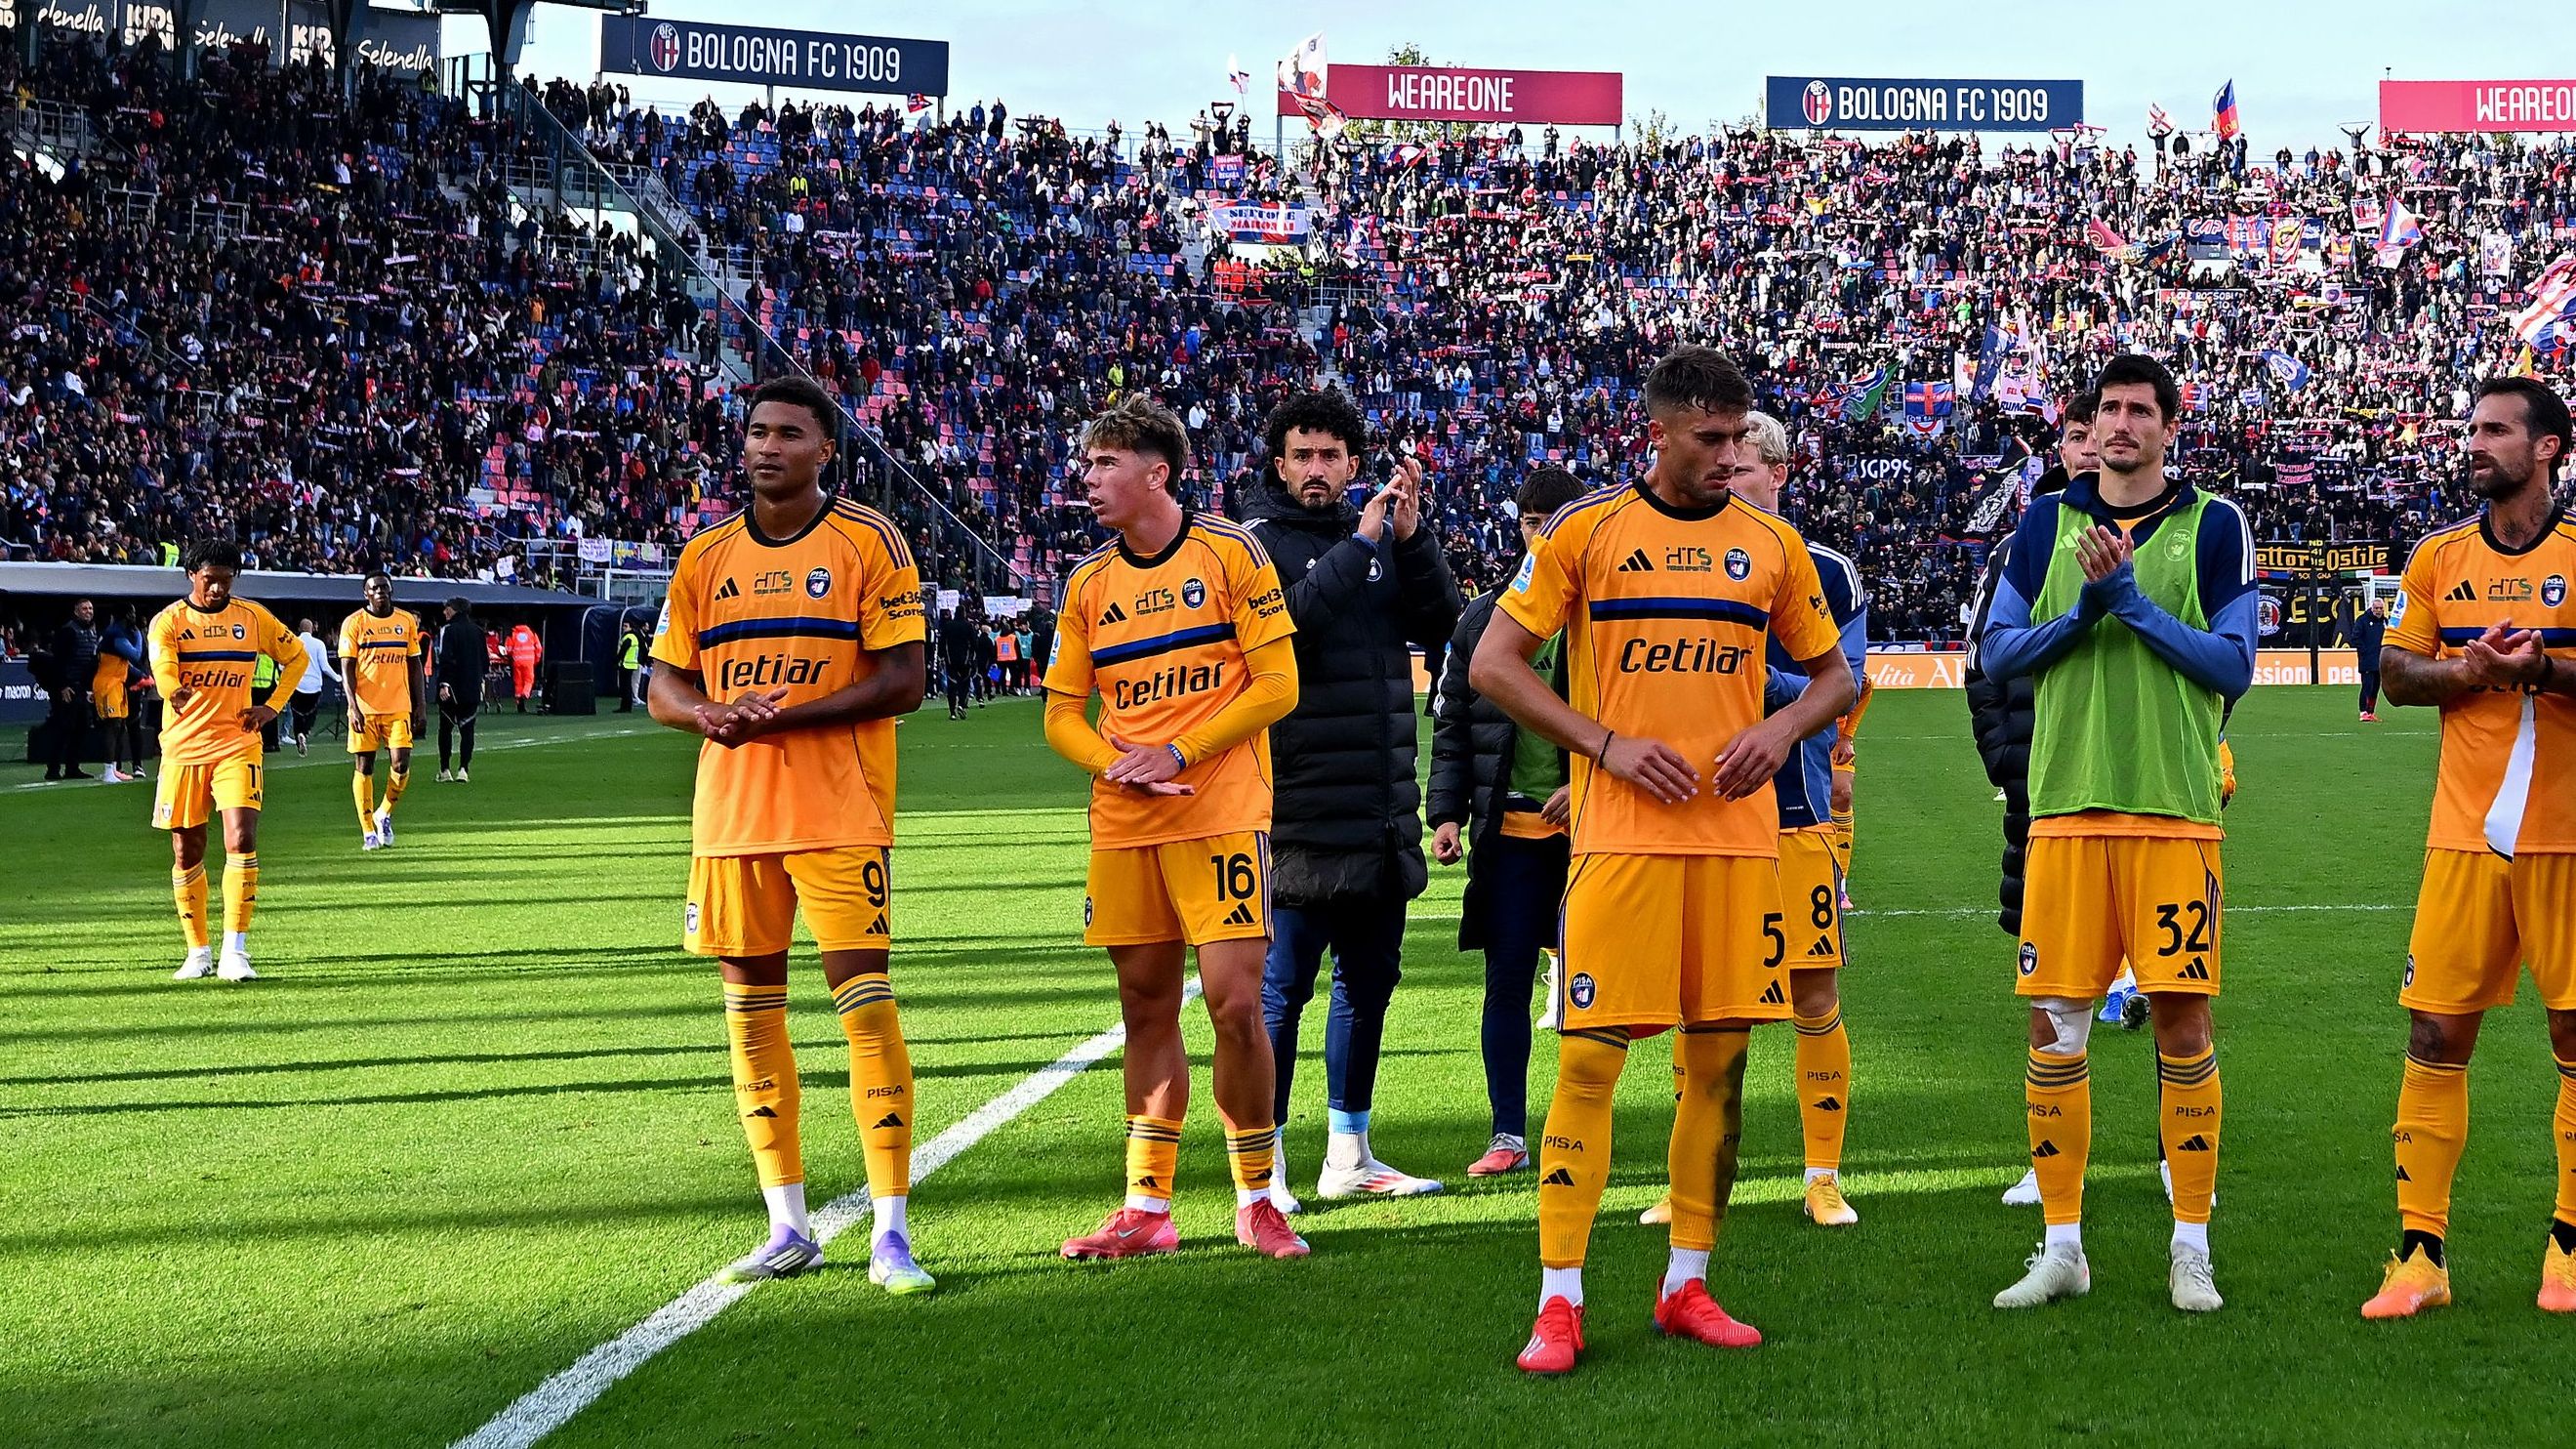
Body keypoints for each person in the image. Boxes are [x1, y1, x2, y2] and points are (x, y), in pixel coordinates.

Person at [1469, 347, 1854, 1374]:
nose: (1731, 456)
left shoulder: (1772, 546)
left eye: (1741, 438)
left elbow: (1834, 677)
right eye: (1711, 439)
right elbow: (1490, 664)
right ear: (1659, 433)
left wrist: (1777, 735)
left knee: (1716, 1069)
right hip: (1620, 841)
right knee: (1590, 1062)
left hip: (1736, 844)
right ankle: (1559, 1300)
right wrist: (1601, 744)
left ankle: (1686, 1279)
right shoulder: (1586, 534)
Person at [1978, 354, 2257, 1314]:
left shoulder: (2212, 523)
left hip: (2172, 807)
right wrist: (2083, 609)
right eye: (2107, 409)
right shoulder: (2043, 523)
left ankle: (2189, 1245)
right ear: (2090, 425)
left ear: (2170, 425)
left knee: (2179, 1020)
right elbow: (1998, 650)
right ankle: (2061, 1246)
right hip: (2063, 807)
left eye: (2141, 409)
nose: (2120, 424)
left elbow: (2233, 663)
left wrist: (2131, 605)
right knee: (2054, 1025)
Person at [645, 377, 936, 1293]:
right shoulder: (704, 557)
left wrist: (788, 714)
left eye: (788, 434)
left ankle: (890, 1231)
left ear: (825, 452)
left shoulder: (866, 541)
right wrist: (709, 715)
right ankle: (787, 1223)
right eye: (756, 432)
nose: (766, 447)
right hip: (731, 817)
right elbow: (663, 687)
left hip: (837, 810)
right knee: (750, 1015)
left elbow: (904, 680)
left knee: (864, 1003)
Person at [1043, 394, 1309, 1263]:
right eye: (1086, 466)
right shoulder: (1087, 583)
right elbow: (1059, 713)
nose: (1087, 480)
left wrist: (1178, 752)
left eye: (1103, 465)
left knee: (1235, 1004)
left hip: (1224, 811)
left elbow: (1277, 685)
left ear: (1156, 472)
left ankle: (1258, 1196)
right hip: (1126, 824)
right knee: (1144, 1005)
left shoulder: (1231, 552)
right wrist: (1110, 762)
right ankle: (1146, 1209)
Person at [2361, 376, 2576, 1319]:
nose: (2474, 442)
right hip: (2463, 842)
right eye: (2471, 428)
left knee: (2574, 1039)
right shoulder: (2436, 559)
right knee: (2434, 1036)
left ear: (2546, 449)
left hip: (2569, 842)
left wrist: (2547, 668)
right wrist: (2470, 668)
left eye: (2495, 430)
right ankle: (2419, 1256)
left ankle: (2567, 1249)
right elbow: (2398, 673)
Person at [1242, 388, 1462, 1206]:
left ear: (1354, 465)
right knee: (1281, 993)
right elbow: (1286, 626)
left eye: (1330, 456)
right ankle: (1262, 1169)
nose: (1315, 469)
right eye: (1301, 455)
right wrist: (1363, 542)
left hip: (1378, 802)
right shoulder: (1253, 544)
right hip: (1295, 805)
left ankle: (1348, 1154)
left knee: (1367, 985)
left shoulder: (1378, 542)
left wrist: (1411, 543)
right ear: (1278, 465)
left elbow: (1448, 631)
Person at [1731, 411, 1872, 1226]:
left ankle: (1821, 1174)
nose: (1727, 476)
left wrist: (1742, 682)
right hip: (1704, 815)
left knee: (1812, 995)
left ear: (1779, 473)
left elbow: (1840, 687)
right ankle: (1698, 1172)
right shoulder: (1688, 563)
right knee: (1705, 1003)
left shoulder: (1825, 571)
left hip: (1796, 814)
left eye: (1742, 465)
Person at [1430, 465, 1587, 1179]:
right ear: (1518, 526)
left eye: (1556, 521)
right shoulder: (1481, 619)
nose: (1543, 534)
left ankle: (1585, 1128)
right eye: (1533, 522)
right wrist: (1445, 813)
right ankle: (1507, 1133)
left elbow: (1632, 719)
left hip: (1593, 835)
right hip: (1511, 838)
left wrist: (1584, 784)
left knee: (1602, 989)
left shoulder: (1603, 615)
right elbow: (1455, 726)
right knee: (1506, 982)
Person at [147, 540, 309, 982]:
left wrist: (272, 706)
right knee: (187, 850)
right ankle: (197, 951)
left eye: (226, 579)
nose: (218, 587)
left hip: (237, 744)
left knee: (240, 838)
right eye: (209, 579)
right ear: (190, 577)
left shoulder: (253, 617)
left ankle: (235, 950)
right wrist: (170, 689)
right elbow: (162, 663)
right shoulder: (169, 621)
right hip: (183, 748)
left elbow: (297, 656)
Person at [340, 573, 427, 851]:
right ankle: (367, 831)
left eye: (384, 588)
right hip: (365, 709)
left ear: (391, 590)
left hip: (398, 706)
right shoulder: (354, 623)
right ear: (366, 593)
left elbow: (415, 666)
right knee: (364, 767)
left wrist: (420, 705)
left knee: (401, 763)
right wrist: (352, 707)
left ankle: (384, 812)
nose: (380, 592)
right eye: (374, 588)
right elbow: (347, 668)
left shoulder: (405, 621)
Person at [44, 599, 101, 782]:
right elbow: (57, 660)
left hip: (83, 687)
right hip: (68, 686)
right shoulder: (68, 631)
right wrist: (62, 685)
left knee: (82, 727)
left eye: (90, 608)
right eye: (84, 608)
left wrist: (90, 687)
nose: (88, 611)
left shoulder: (92, 631)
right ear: (76, 611)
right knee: (64, 728)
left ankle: (72, 767)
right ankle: (53, 769)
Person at [96, 605, 149, 784]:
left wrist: (142, 676)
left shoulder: (120, 631)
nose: (135, 615)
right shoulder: (116, 633)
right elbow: (134, 655)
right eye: (133, 612)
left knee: (119, 726)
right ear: (127, 615)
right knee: (112, 726)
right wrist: (140, 635)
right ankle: (108, 771)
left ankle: (115, 769)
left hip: (118, 683)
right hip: (107, 684)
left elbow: (125, 664)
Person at [434, 599, 485, 783]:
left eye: (446, 609)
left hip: (452, 688)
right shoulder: (478, 631)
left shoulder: (449, 630)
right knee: (468, 729)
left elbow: (446, 658)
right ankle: (463, 769)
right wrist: (480, 680)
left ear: (454, 610)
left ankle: (444, 769)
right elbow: (484, 660)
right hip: (472, 687)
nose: (444, 613)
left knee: (446, 728)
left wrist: (444, 683)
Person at [288, 616, 342, 755]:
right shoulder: (318, 644)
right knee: (311, 714)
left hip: (297, 685)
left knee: (297, 715)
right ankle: (305, 733)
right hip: (314, 686)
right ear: (312, 629)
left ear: (299, 629)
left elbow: (283, 665)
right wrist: (337, 677)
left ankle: (299, 733)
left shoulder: (293, 642)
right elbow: (324, 667)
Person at [2347, 597, 2388, 722]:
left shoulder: (2385, 622)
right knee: (2367, 686)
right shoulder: (2362, 620)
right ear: (2371, 608)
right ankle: (2363, 711)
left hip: (2380, 661)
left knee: (2375, 687)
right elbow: (2355, 638)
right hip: (2367, 661)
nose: (2378, 611)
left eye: (2381, 608)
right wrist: (2364, 651)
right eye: (2376, 608)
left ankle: (2371, 712)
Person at [938, 609, 975, 720]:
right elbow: (974, 642)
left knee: (952, 685)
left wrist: (941, 655)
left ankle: (952, 711)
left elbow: (942, 641)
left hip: (951, 659)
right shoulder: (968, 626)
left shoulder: (948, 626)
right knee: (964, 683)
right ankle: (962, 704)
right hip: (965, 659)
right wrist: (972, 657)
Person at [508, 620, 544, 711]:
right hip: (529, 661)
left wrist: (512, 656)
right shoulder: (532, 634)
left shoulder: (513, 634)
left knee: (518, 682)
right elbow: (538, 648)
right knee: (529, 680)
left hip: (517, 661)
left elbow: (508, 649)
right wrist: (536, 659)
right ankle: (526, 693)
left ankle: (519, 701)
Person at [617, 619, 643, 713]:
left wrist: (617, 660)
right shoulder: (634, 637)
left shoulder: (629, 638)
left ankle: (625, 707)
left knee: (625, 687)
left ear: (630, 627)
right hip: (631, 664)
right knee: (627, 686)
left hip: (626, 664)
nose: (624, 628)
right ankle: (626, 706)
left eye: (626, 626)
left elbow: (623, 651)